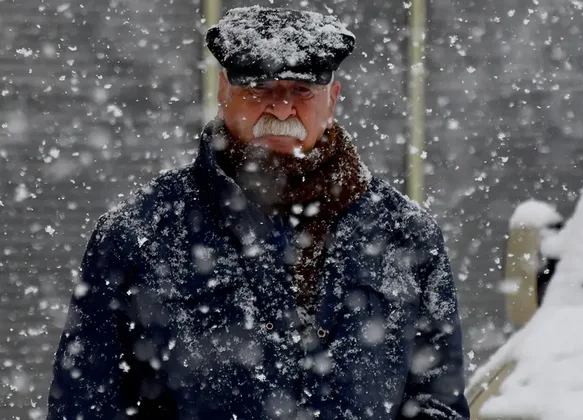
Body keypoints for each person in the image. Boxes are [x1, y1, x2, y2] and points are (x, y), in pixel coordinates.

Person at [46, 6, 470, 420]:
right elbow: (86, 404)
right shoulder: (138, 234)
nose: (282, 108)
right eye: (261, 88)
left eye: (302, 91)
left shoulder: (407, 234)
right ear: (222, 91)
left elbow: (438, 402)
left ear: (333, 98)